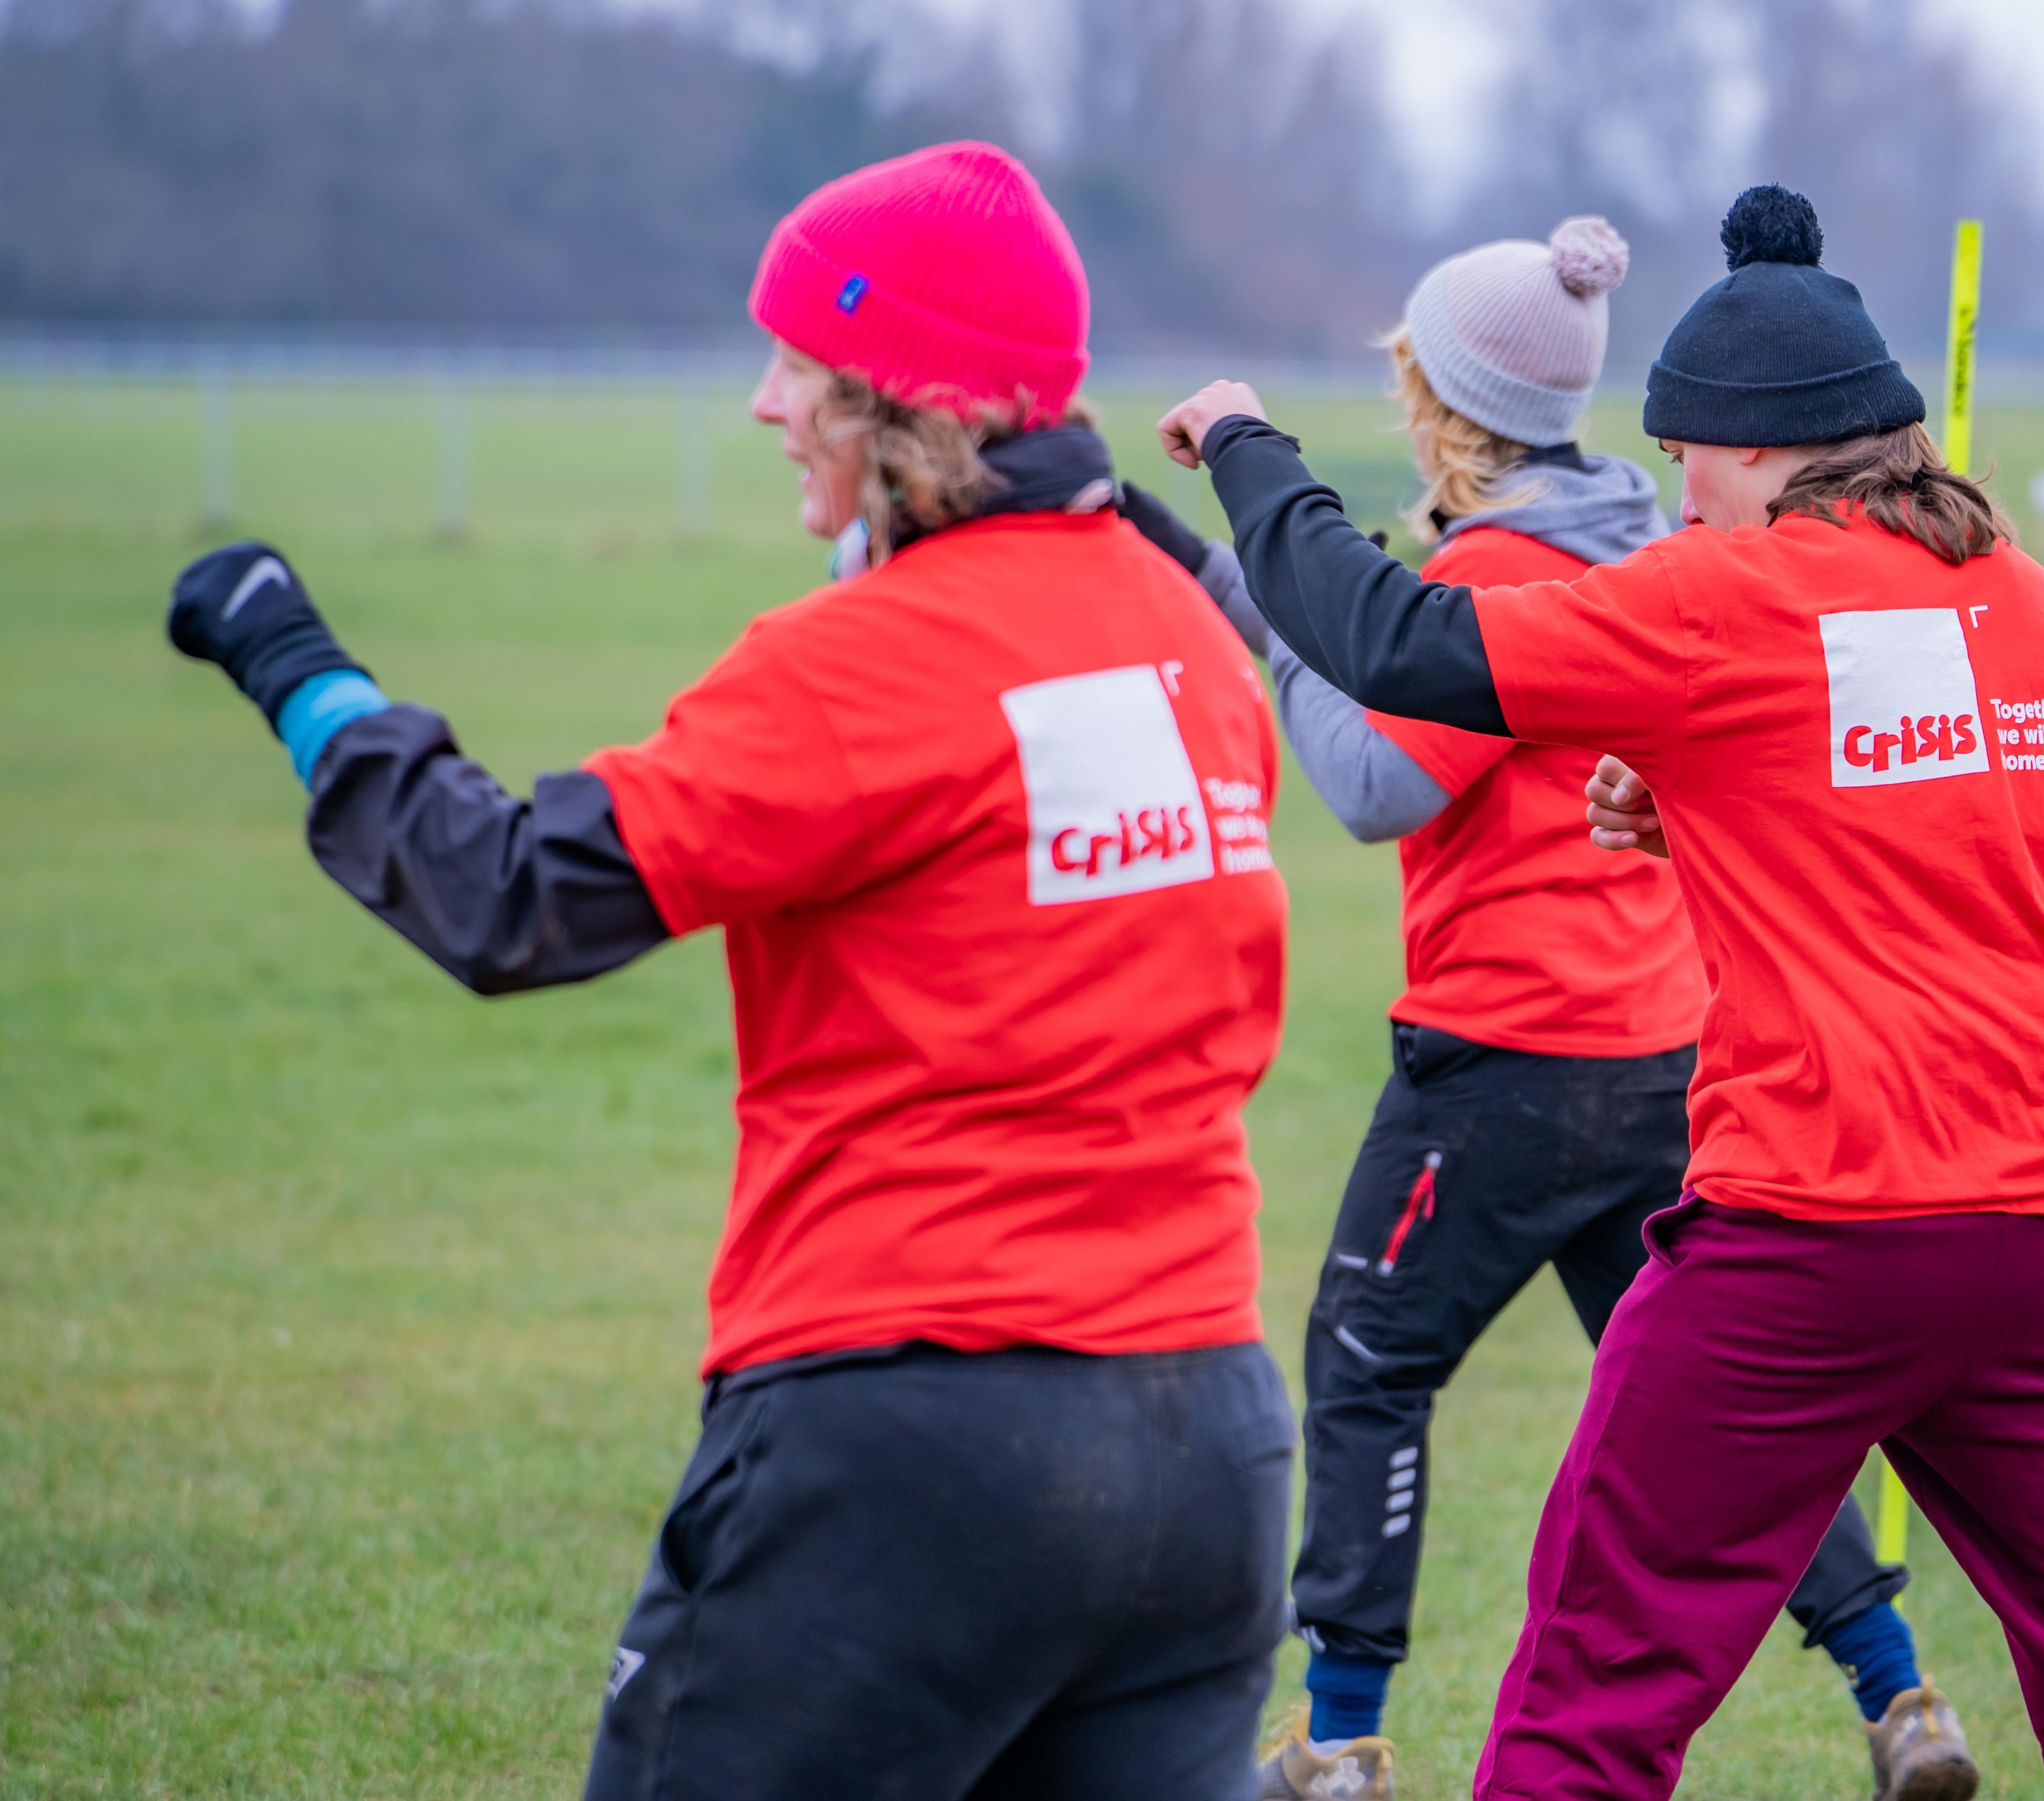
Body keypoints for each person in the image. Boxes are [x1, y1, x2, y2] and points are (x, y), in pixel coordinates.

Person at [164, 141, 1299, 1801]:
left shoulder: (866, 661)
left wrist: (301, 672)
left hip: (912, 1441)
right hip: (1206, 1446)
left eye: (798, 364)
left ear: (893, 401)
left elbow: (509, 897)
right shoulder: (1182, 631)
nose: (767, 403)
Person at [1155, 184, 2044, 1801]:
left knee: (1594, 1688)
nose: (1676, 498)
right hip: (2036, 1238)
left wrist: (1249, 446)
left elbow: (1395, 644)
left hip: (1811, 1232)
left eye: (1683, 460)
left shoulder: (1724, 594)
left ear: (1753, 446)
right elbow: (1930, 837)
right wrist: (1711, 809)